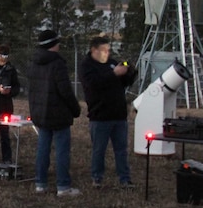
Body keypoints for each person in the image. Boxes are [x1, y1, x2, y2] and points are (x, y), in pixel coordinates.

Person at [27, 30, 82, 197]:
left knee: (43, 149)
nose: (59, 45)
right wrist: (75, 109)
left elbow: (32, 90)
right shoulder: (57, 64)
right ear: (52, 45)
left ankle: (40, 183)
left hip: (41, 114)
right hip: (58, 115)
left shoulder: (34, 63)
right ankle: (63, 186)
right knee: (62, 151)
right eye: (57, 42)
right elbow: (65, 90)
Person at [79, 35, 137, 189]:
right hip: (100, 115)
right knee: (99, 150)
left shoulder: (112, 63)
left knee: (121, 150)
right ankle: (97, 178)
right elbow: (93, 84)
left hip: (118, 114)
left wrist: (130, 72)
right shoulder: (87, 66)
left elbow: (123, 83)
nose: (107, 53)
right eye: (103, 50)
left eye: (108, 50)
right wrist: (114, 74)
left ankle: (124, 178)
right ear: (94, 50)